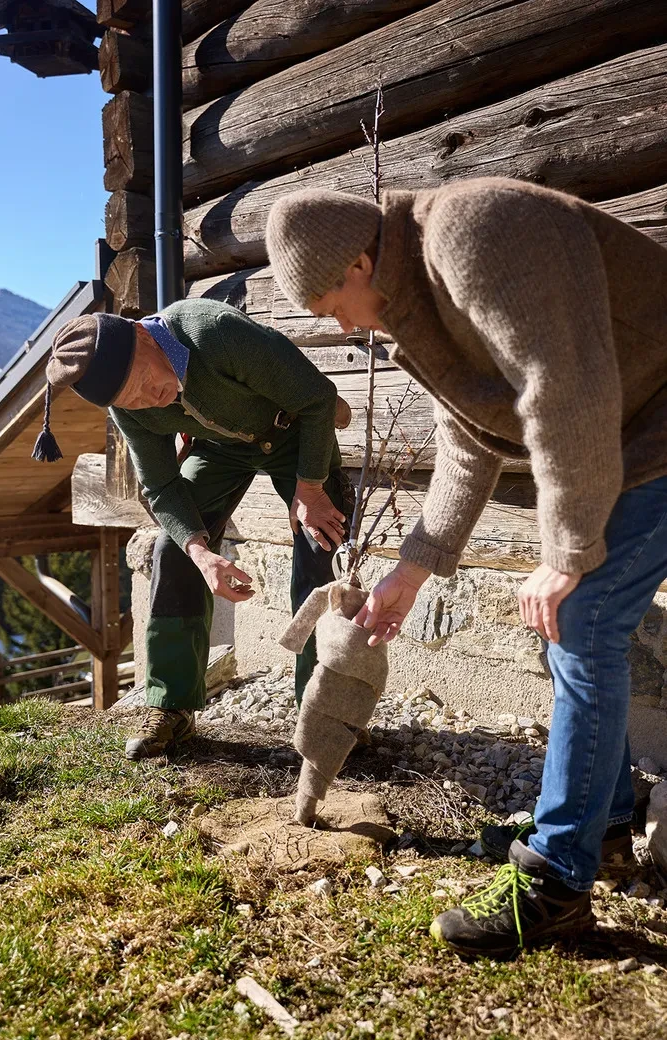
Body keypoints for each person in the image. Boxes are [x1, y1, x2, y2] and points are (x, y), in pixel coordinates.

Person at [265, 177, 667, 956]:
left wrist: (569, 552)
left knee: (581, 617)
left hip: (656, 423)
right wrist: (411, 571)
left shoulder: (474, 234)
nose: (341, 327)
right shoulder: (412, 292)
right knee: (569, 628)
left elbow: (565, 390)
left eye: (329, 307)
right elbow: (466, 439)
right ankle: (606, 822)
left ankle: (555, 882)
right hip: (627, 431)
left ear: (356, 262)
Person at [40, 298, 353, 760]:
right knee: (174, 548)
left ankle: (324, 711)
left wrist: (310, 488)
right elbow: (162, 486)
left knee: (319, 544)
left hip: (295, 432)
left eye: (144, 382)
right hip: (221, 448)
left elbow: (318, 398)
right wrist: (201, 553)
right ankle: (170, 705)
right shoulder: (129, 409)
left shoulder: (216, 332)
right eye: (134, 400)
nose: (149, 399)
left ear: (144, 335)